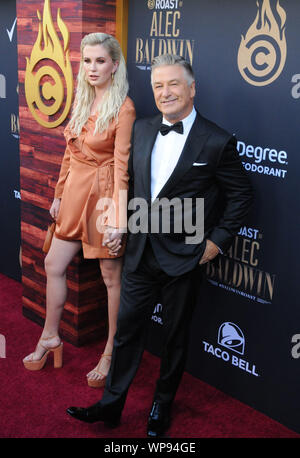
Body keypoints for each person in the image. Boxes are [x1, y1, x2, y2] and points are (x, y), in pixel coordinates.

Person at [66, 54, 253, 436]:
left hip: (185, 258)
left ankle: (160, 407)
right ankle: (111, 405)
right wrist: (122, 222)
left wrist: (216, 243)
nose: (165, 92)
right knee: (126, 332)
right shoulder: (143, 128)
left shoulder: (217, 140)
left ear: (192, 88)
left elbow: (241, 196)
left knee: (174, 338)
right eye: (158, 86)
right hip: (140, 252)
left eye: (173, 84)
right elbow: (132, 184)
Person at [23, 33, 136, 389]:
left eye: (100, 61)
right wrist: (58, 194)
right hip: (73, 194)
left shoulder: (124, 107)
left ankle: (111, 351)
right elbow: (70, 153)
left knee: (111, 279)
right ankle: (50, 337)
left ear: (115, 65)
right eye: (86, 61)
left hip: (102, 195)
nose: (92, 68)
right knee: (53, 264)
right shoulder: (83, 98)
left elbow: (122, 166)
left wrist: (119, 218)